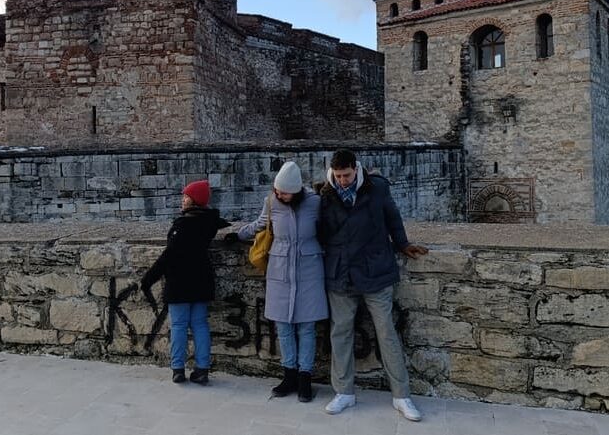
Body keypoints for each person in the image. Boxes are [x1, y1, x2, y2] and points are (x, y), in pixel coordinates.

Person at [318, 149, 428, 421]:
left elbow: (392, 217)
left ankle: (401, 395)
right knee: (340, 332)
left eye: (346, 175)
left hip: (375, 267)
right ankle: (343, 391)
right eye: (338, 176)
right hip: (341, 271)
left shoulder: (377, 188)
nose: (342, 181)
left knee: (386, 332)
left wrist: (403, 244)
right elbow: (319, 229)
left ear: (356, 169)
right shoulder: (325, 193)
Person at [232, 161, 328, 402]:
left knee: (306, 327)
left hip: (309, 268)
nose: (279, 195)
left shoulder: (315, 203)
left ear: (295, 190)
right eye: (277, 190)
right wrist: (238, 234)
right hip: (280, 267)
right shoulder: (271, 202)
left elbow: (329, 229)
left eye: (284, 192)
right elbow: (261, 224)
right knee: (283, 326)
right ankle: (289, 374)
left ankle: (305, 377)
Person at [141, 179, 230, 385]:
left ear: (194, 200)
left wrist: (149, 279)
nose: (182, 200)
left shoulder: (183, 225)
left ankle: (178, 369)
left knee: (179, 325)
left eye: (186, 196)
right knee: (200, 325)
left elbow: (169, 255)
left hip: (180, 281)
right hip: (201, 278)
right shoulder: (209, 223)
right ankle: (202, 369)